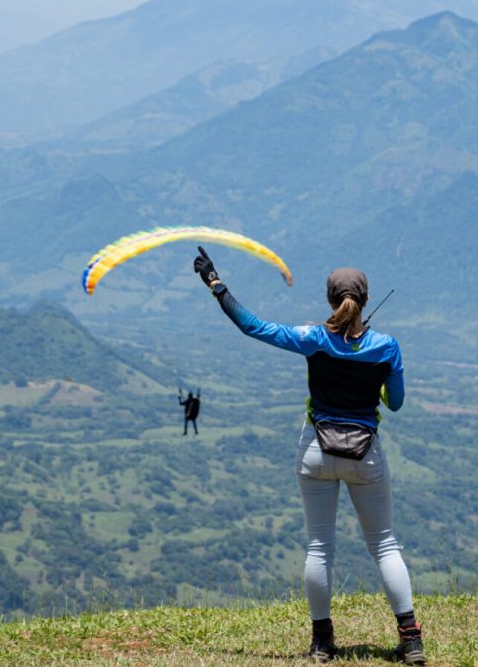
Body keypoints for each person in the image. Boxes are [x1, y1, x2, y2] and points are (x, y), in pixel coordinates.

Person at [193, 247, 424, 665]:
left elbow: (253, 326)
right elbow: (396, 404)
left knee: (320, 548)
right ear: (365, 302)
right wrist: (380, 382)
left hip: (315, 451)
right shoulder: (387, 347)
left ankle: (321, 643)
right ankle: (411, 641)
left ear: (331, 301)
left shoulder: (314, 339)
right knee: (385, 546)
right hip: (365, 455)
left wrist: (216, 283)